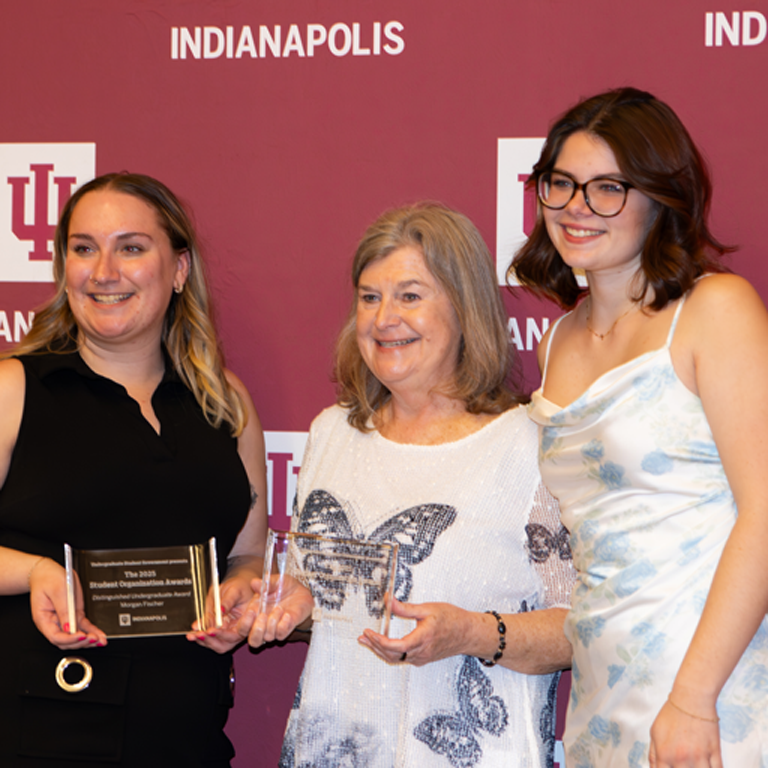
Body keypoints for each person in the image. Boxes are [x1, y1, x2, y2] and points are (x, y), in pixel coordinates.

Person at [244, 203, 575, 768]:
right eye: (369, 298)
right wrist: (290, 608)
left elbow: (579, 628)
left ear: (465, 309)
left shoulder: (531, 445)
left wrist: (470, 632)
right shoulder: (331, 434)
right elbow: (323, 610)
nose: (383, 318)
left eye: (410, 296)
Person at [513, 87, 768, 767]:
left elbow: (765, 512)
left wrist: (693, 698)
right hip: (603, 683)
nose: (575, 207)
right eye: (560, 184)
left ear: (661, 198)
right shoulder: (559, 339)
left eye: (607, 189)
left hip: (715, 685)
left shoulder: (716, 310)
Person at [0, 172, 268, 767]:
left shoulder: (225, 402)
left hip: (186, 734)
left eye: (131, 247)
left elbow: (248, 557)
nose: (103, 272)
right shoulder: (14, 389)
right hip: (37, 734)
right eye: (83, 248)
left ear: (178, 269)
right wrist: (36, 573)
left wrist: (237, 596)